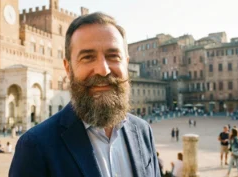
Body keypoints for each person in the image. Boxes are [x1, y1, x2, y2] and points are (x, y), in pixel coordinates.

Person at [9, 12, 161, 177]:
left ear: (126, 63)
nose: (103, 70)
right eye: (88, 57)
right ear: (68, 68)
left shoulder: (142, 131)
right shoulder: (35, 147)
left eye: (113, 56)